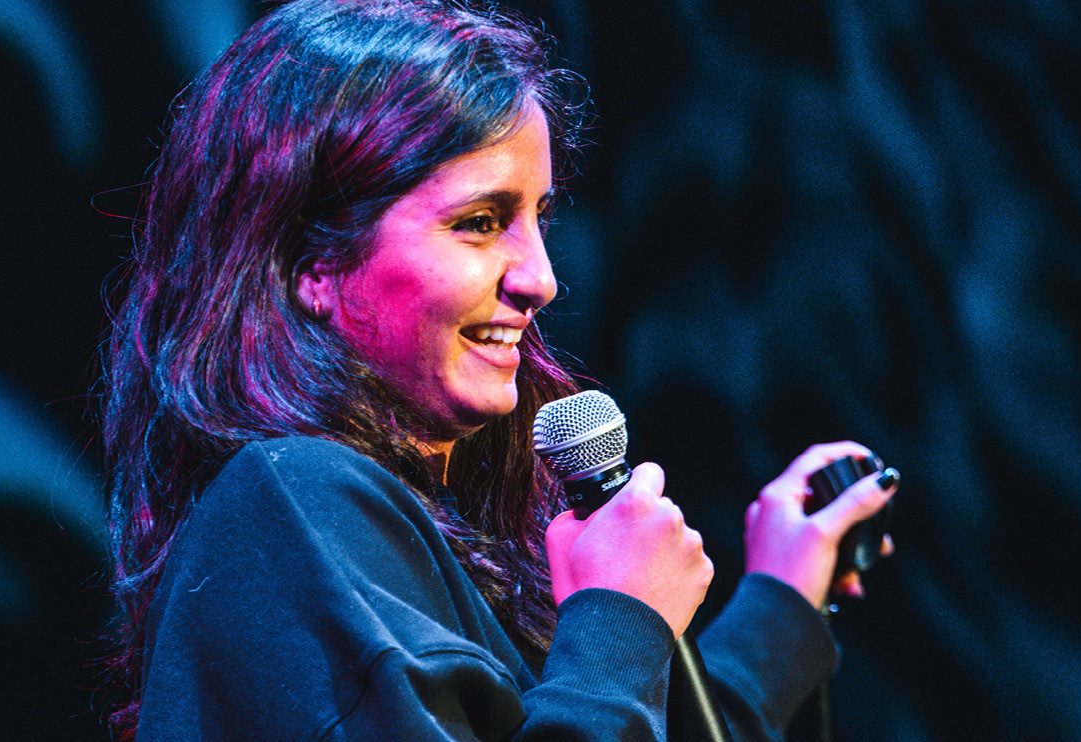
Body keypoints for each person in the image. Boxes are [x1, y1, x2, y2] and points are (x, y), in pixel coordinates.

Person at [99, 1, 899, 739]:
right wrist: (617, 617)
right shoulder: (289, 501)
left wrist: (782, 603)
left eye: (539, 218)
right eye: (480, 223)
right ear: (312, 260)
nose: (540, 278)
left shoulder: (408, 528)